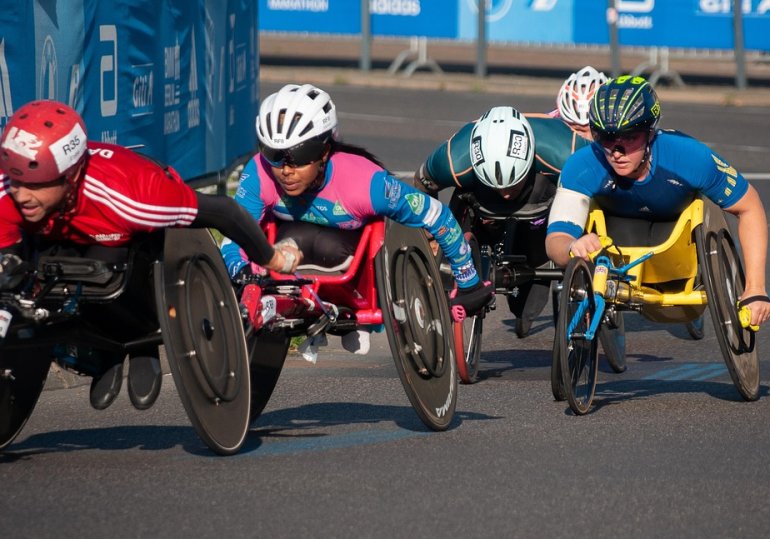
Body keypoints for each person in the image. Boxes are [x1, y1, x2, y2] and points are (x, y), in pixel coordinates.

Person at [0, 99, 301, 411]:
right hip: (60, 233)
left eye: (35, 184)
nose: (21, 194)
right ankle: (100, 349)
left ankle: (141, 339)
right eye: (16, 179)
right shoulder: (6, 190)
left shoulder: (137, 198)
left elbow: (225, 212)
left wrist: (271, 258)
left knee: (104, 268)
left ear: (71, 175)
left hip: (123, 233)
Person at [220, 83, 494, 355]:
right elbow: (235, 236)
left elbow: (438, 215)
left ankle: (348, 316)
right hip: (287, 253)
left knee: (325, 245)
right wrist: (239, 270)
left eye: (298, 157)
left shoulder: (367, 185)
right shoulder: (259, 173)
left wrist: (468, 279)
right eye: (273, 155)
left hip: (354, 263)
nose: (285, 170)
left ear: (324, 151)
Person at [545, 75, 770, 327]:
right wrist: (572, 247)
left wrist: (755, 288)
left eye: (629, 137)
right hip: (617, 236)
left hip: (677, 238)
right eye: (607, 138)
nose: (617, 152)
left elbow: (749, 207)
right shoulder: (581, 165)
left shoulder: (690, 157)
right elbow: (556, 239)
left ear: (650, 133)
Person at [412, 67, 607, 338]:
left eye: (511, 185)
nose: (505, 193)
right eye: (498, 186)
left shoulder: (566, 150)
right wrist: (431, 237)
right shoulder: (454, 158)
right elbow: (422, 184)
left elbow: (608, 187)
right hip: (479, 200)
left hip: (542, 205)